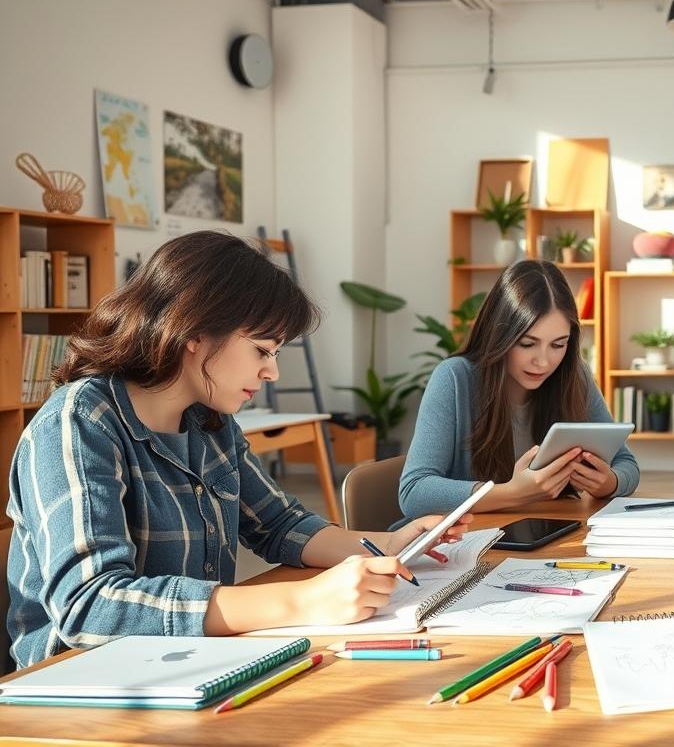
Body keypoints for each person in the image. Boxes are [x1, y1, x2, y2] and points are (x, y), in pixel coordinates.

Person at [6, 231, 470, 669]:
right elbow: (90, 607)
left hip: (187, 661)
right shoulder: (78, 424)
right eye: (263, 351)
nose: (272, 373)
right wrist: (301, 600)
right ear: (196, 333)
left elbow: (278, 524)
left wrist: (390, 544)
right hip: (78, 683)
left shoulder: (209, 420)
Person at [400, 260, 638, 516]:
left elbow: (627, 465)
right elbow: (414, 492)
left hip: (539, 534)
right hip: (464, 545)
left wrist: (608, 483)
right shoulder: (454, 378)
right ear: (499, 335)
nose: (543, 361)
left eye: (558, 345)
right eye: (527, 344)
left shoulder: (573, 375)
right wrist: (512, 494)